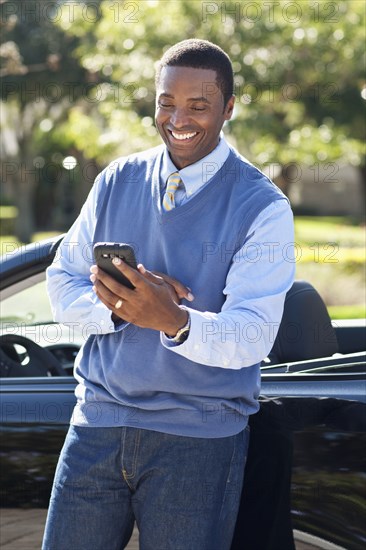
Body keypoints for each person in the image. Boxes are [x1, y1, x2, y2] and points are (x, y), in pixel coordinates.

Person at [42, 39, 295, 550]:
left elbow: (251, 337)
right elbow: (60, 280)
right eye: (166, 102)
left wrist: (173, 320)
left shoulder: (264, 207)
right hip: (96, 425)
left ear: (228, 109)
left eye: (198, 106)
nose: (178, 118)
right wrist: (121, 309)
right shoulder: (116, 180)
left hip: (198, 441)